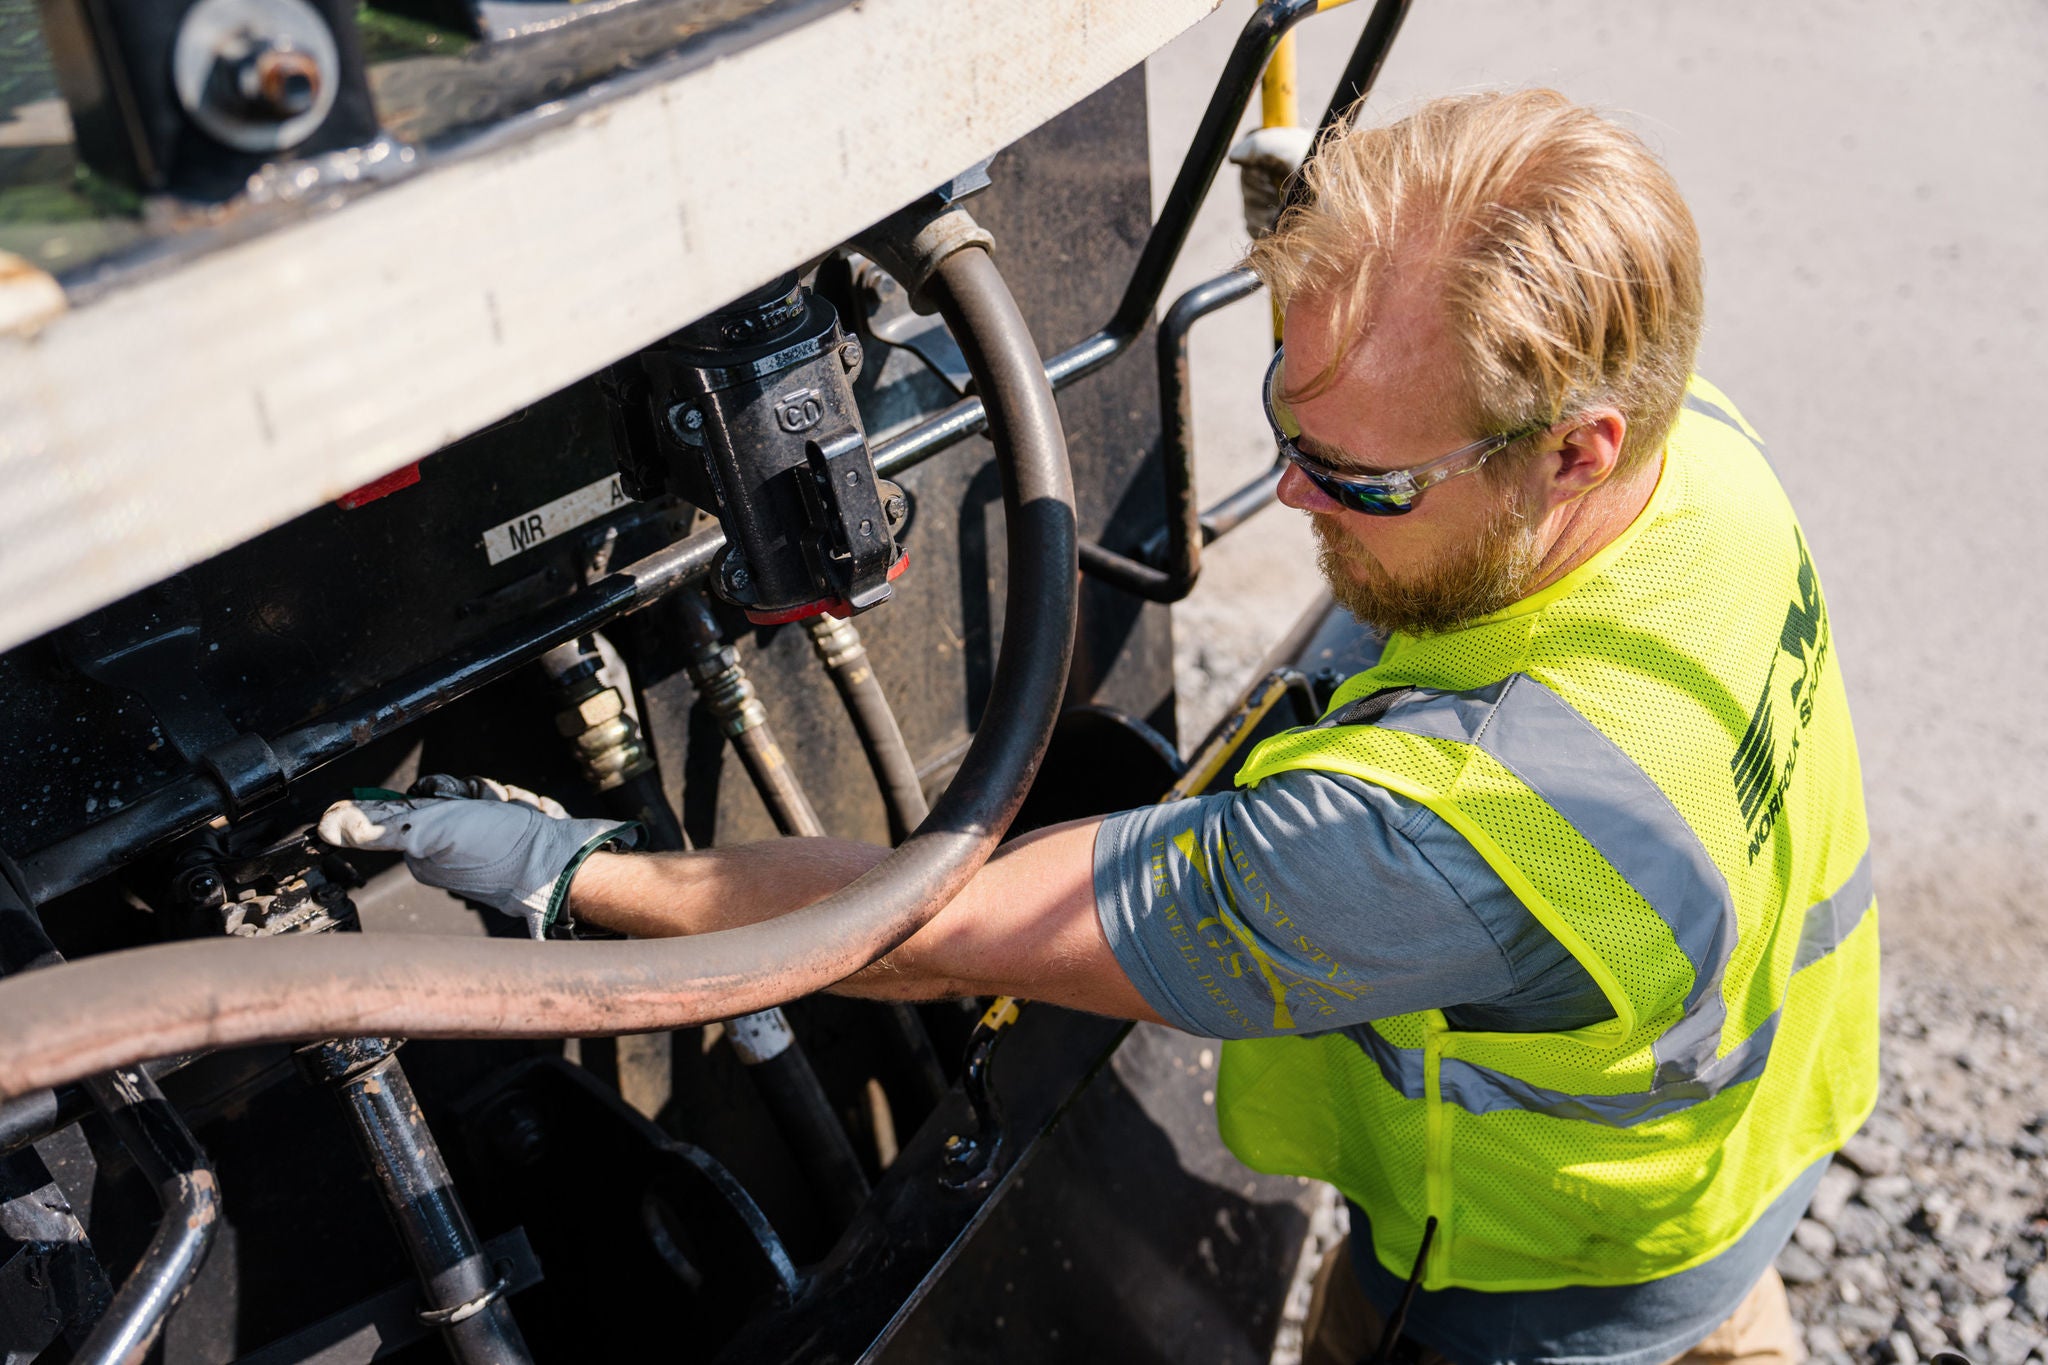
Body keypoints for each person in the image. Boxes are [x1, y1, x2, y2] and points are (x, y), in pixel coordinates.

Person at [320, 90, 1877, 1365]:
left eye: (1366, 483)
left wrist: (569, 868)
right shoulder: (1698, 456)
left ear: (1573, 450)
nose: (1291, 500)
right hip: (1736, 1163)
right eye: (1289, 421)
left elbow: (918, 930)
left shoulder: (1454, 834)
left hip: (1532, 1278)